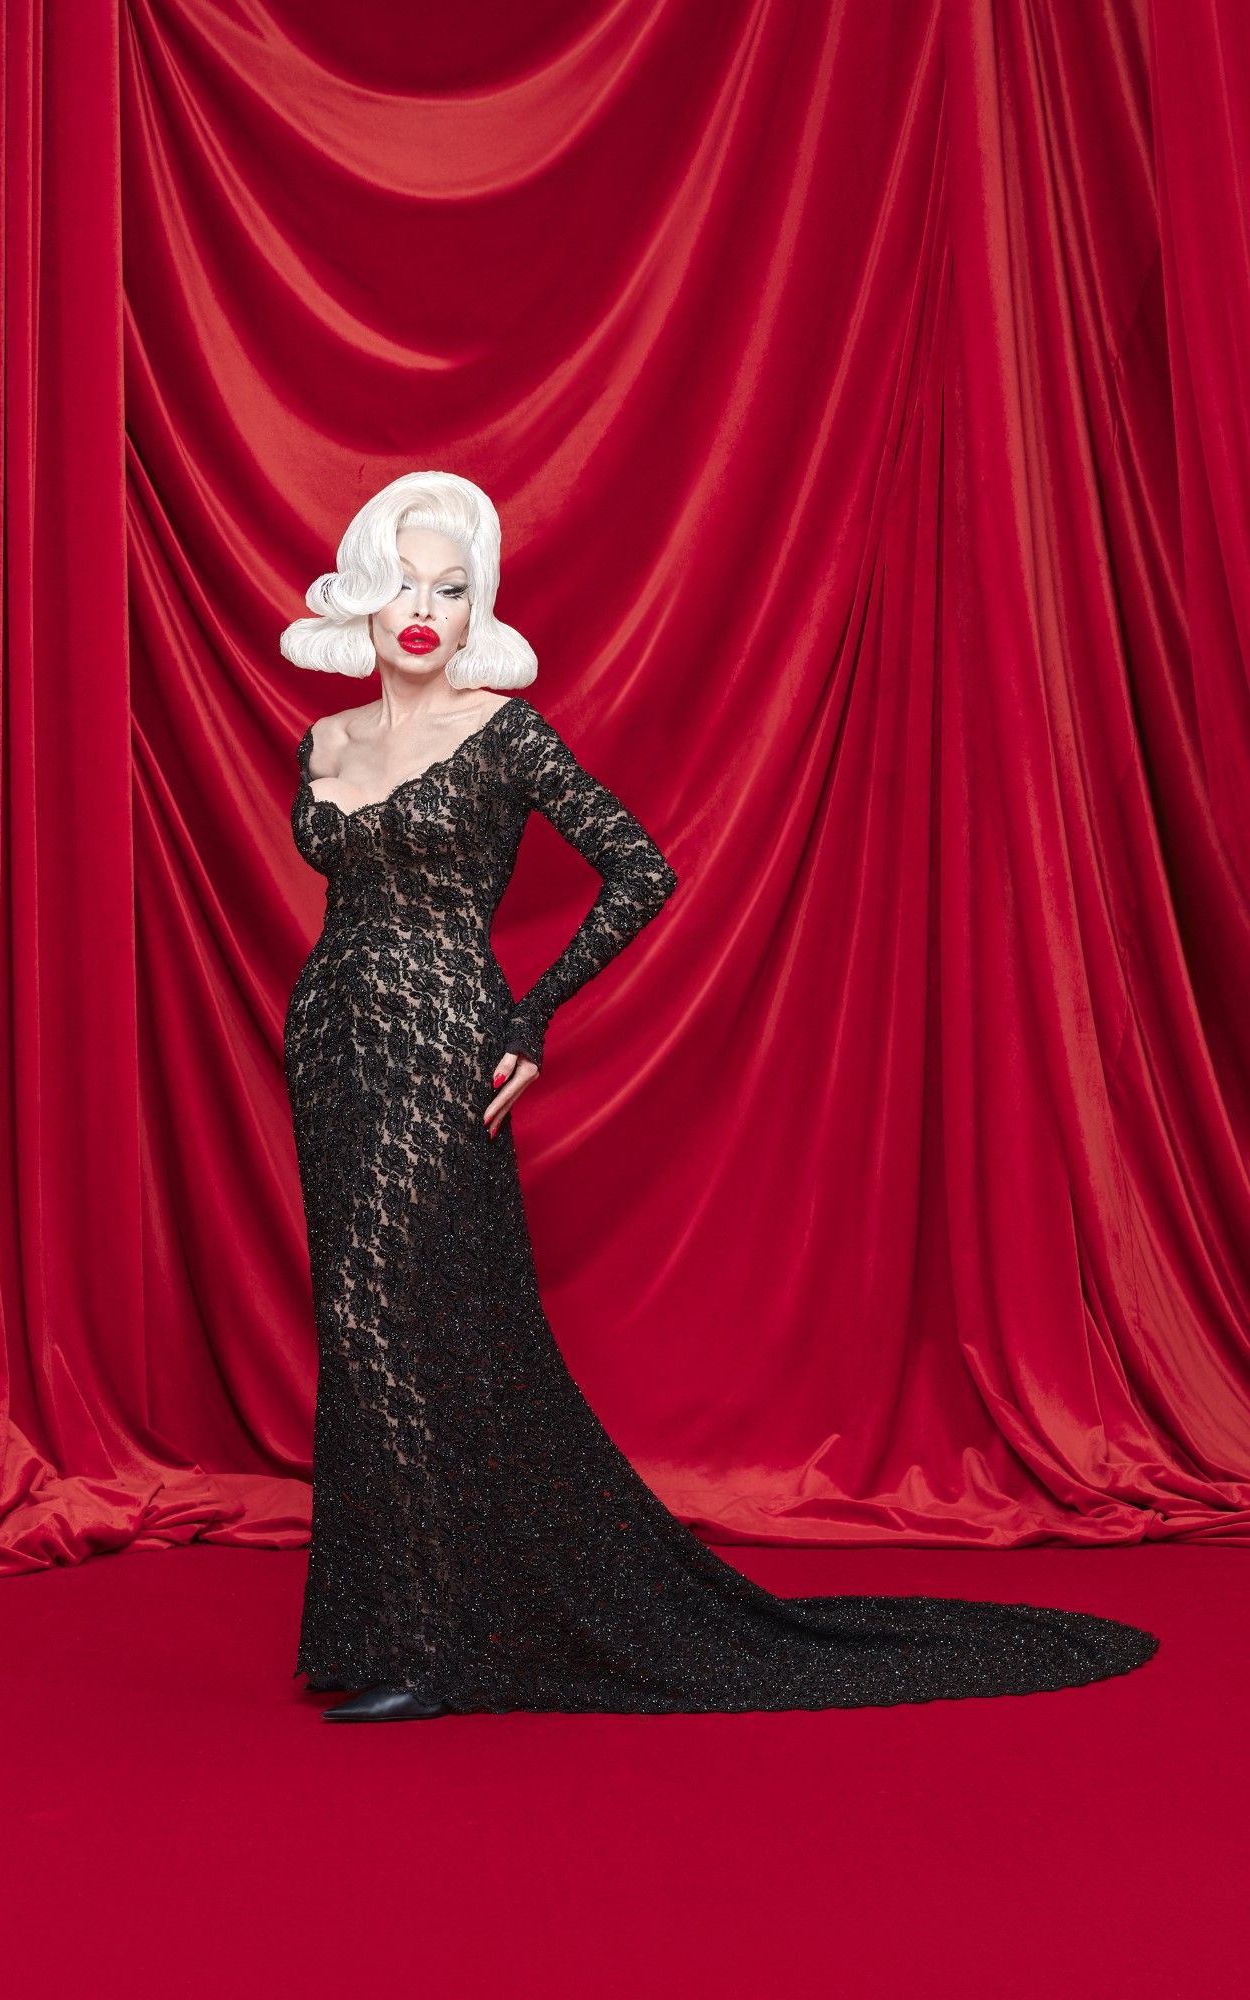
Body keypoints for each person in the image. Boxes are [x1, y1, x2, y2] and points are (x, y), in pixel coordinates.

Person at [278, 469, 1158, 1721]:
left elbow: (639, 867)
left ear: (478, 609)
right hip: (328, 1040)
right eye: (403, 582)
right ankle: (370, 1619)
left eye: (451, 587)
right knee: (354, 1318)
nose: (423, 608)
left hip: (441, 1043)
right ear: (366, 592)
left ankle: (435, 1640)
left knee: (405, 1315)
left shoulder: (504, 733)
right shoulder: (322, 743)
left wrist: (531, 1016)